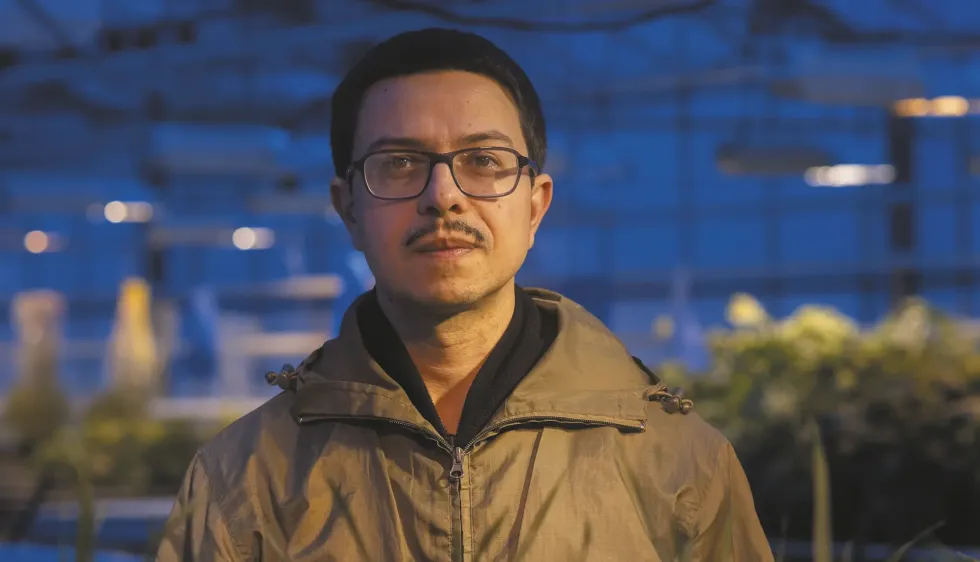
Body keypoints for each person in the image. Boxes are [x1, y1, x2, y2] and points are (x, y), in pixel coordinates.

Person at [156, 28, 773, 561]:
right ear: (348, 209)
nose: (443, 196)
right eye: (399, 163)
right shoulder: (245, 477)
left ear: (535, 206)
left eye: (483, 160)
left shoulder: (677, 463)